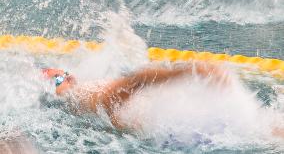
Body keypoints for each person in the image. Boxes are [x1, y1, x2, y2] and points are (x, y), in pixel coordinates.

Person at [42, 61, 284, 139]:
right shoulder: (103, 107)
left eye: (61, 75)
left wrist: (190, 70)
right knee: (259, 128)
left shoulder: (98, 100)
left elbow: (138, 79)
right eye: (59, 77)